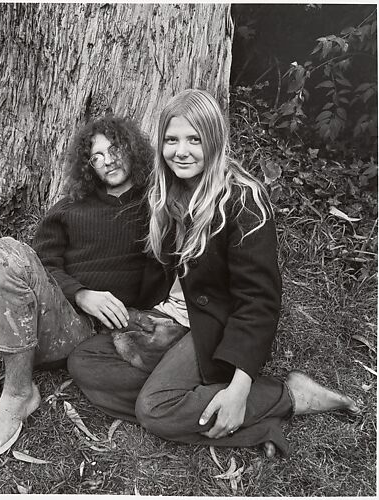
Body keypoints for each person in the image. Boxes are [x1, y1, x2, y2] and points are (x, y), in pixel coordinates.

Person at [68, 89, 360, 457]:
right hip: (168, 316)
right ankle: (249, 415)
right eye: (171, 140)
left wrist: (239, 388)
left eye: (195, 139)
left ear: (215, 140)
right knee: (84, 362)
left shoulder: (243, 200)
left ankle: (286, 394)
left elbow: (258, 302)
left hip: (211, 323)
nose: (181, 150)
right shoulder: (166, 190)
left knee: (153, 410)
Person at [0, 115, 168, 462]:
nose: (108, 160)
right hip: (42, 302)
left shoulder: (154, 205)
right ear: (88, 166)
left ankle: (18, 394)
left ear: (132, 148)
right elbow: (43, 264)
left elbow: (166, 268)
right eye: (96, 156)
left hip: (74, 329)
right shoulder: (70, 208)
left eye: (114, 149)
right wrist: (82, 293)